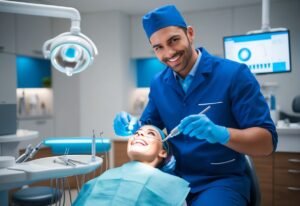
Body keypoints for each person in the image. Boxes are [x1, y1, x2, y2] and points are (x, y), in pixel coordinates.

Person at [113, 4, 278, 206]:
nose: (169, 52)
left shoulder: (234, 75)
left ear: (190, 34)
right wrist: (133, 126)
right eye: (159, 47)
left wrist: (221, 133)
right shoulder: (159, 83)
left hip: (220, 182)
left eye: (174, 40)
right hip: (171, 180)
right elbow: (149, 127)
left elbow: (266, 143)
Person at [73, 125, 190, 206]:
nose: (139, 134)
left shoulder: (173, 188)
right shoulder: (102, 178)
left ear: (163, 152)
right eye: (137, 133)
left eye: (150, 134)